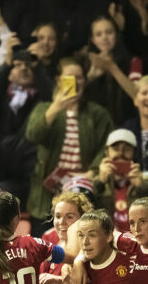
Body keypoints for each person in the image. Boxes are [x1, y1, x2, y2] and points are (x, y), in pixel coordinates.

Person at [26, 56, 114, 234]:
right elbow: (33, 134)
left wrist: (91, 173)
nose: (75, 82)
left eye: (79, 77)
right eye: (69, 78)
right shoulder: (44, 108)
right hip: (47, 194)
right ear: (59, 81)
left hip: (85, 189)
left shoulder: (97, 113)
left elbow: (108, 147)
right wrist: (56, 107)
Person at [0, 49, 53, 200]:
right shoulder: (0, 95)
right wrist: (6, 65)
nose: (24, 68)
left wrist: (38, 67)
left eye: (28, 65)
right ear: (9, 72)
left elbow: (52, 97)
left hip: (29, 174)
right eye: (17, 65)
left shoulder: (42, 99)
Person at [93, 129, 148, 232]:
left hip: (139, 239)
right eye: (116, 149)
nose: (121, 153)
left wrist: (142, 188)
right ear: (107, 152)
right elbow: (86, 210)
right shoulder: (95, 182)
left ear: (134, 153)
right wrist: (100, 183)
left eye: (127, 149)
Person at [85, 15, 139, 126]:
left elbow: (137, 95)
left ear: (116, 35)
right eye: (99, 34)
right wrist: (89, 77)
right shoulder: (84, 64)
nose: (104, 37)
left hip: (128, 123)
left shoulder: (134, 61)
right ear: (93, 40)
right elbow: (70, 97)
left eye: (109, 32)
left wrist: (112, 68)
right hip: (94, 125)